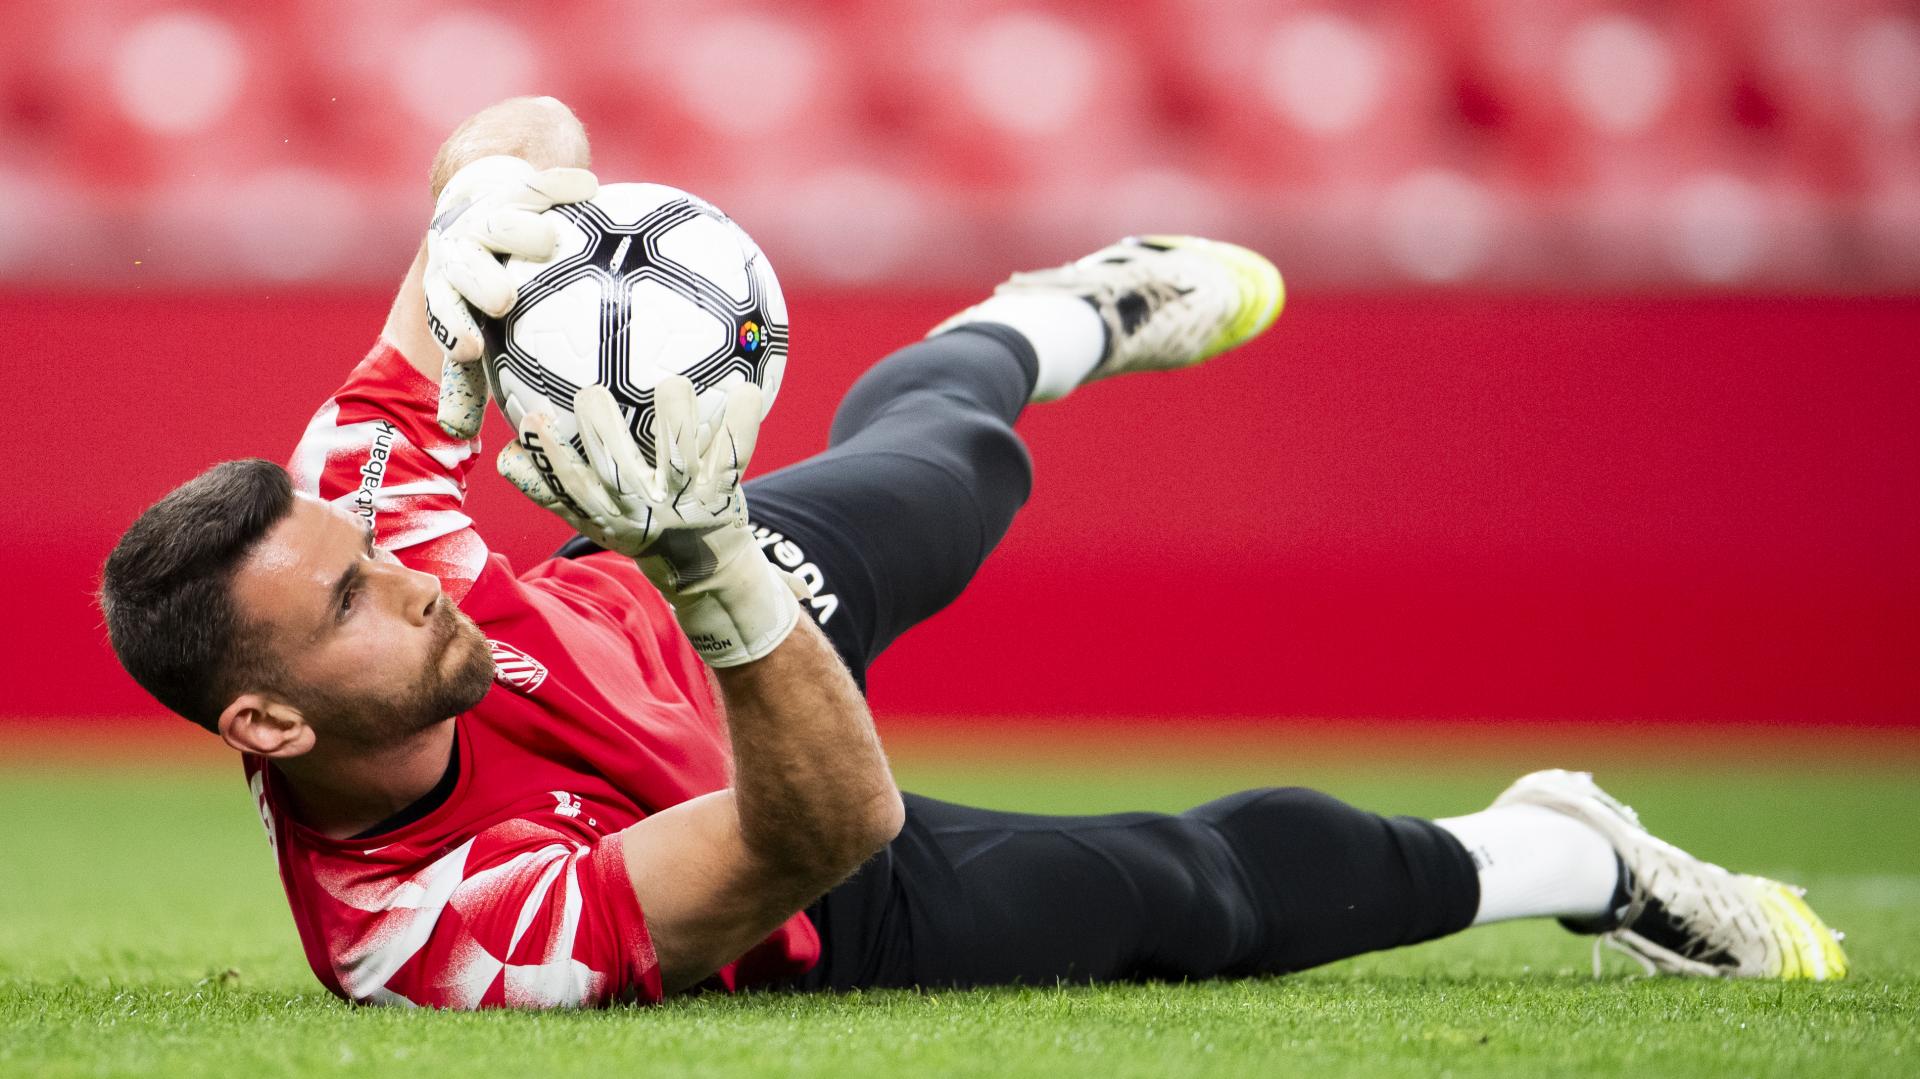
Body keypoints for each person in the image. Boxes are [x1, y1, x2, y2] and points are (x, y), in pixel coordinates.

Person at [99, 98, 1845, 1010]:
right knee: (1202, 895)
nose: (404, 566)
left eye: (369, 550)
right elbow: (819, 827)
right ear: (266, 726)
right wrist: (714, 565)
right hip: (803, 850)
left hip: (633, 608)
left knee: (942, 468)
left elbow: (532, 125)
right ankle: (1573, 856)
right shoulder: (431, 940)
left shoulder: (359, 490)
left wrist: (482, 209)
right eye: (348, 601)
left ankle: (1052, 316)